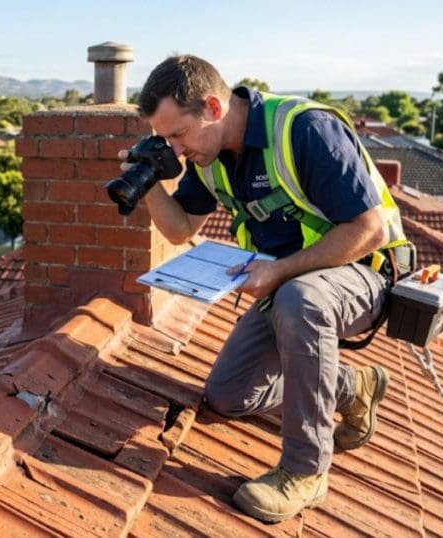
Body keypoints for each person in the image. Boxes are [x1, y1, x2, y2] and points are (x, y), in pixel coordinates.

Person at [123, 55, 411, 523]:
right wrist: (149, 183)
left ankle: (305, 472)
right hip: (293, 285)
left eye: (178, 135)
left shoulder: (304, 130)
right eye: (165, 138)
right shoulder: (209, 156)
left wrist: (278, 274)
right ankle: (352, 387)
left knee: (302, 298)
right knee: (229, 395)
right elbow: (178, 230)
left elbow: (369, 230)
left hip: (365, 272)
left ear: (214, 107)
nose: (175, 149)